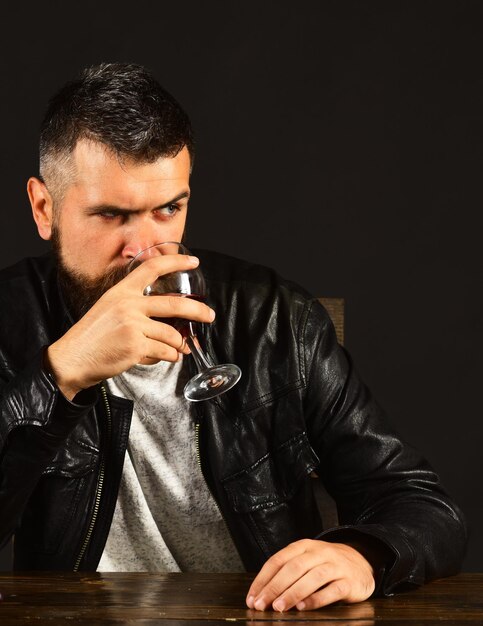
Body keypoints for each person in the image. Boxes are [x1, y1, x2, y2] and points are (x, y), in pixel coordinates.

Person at [0, 62, 466, 612]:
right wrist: (60, 374)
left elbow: (424, 506)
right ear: (43, 208)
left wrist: (364, 554)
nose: (146, 249)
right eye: (111, 215)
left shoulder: (274, 318)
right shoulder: (10, 322)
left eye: (168, 209)